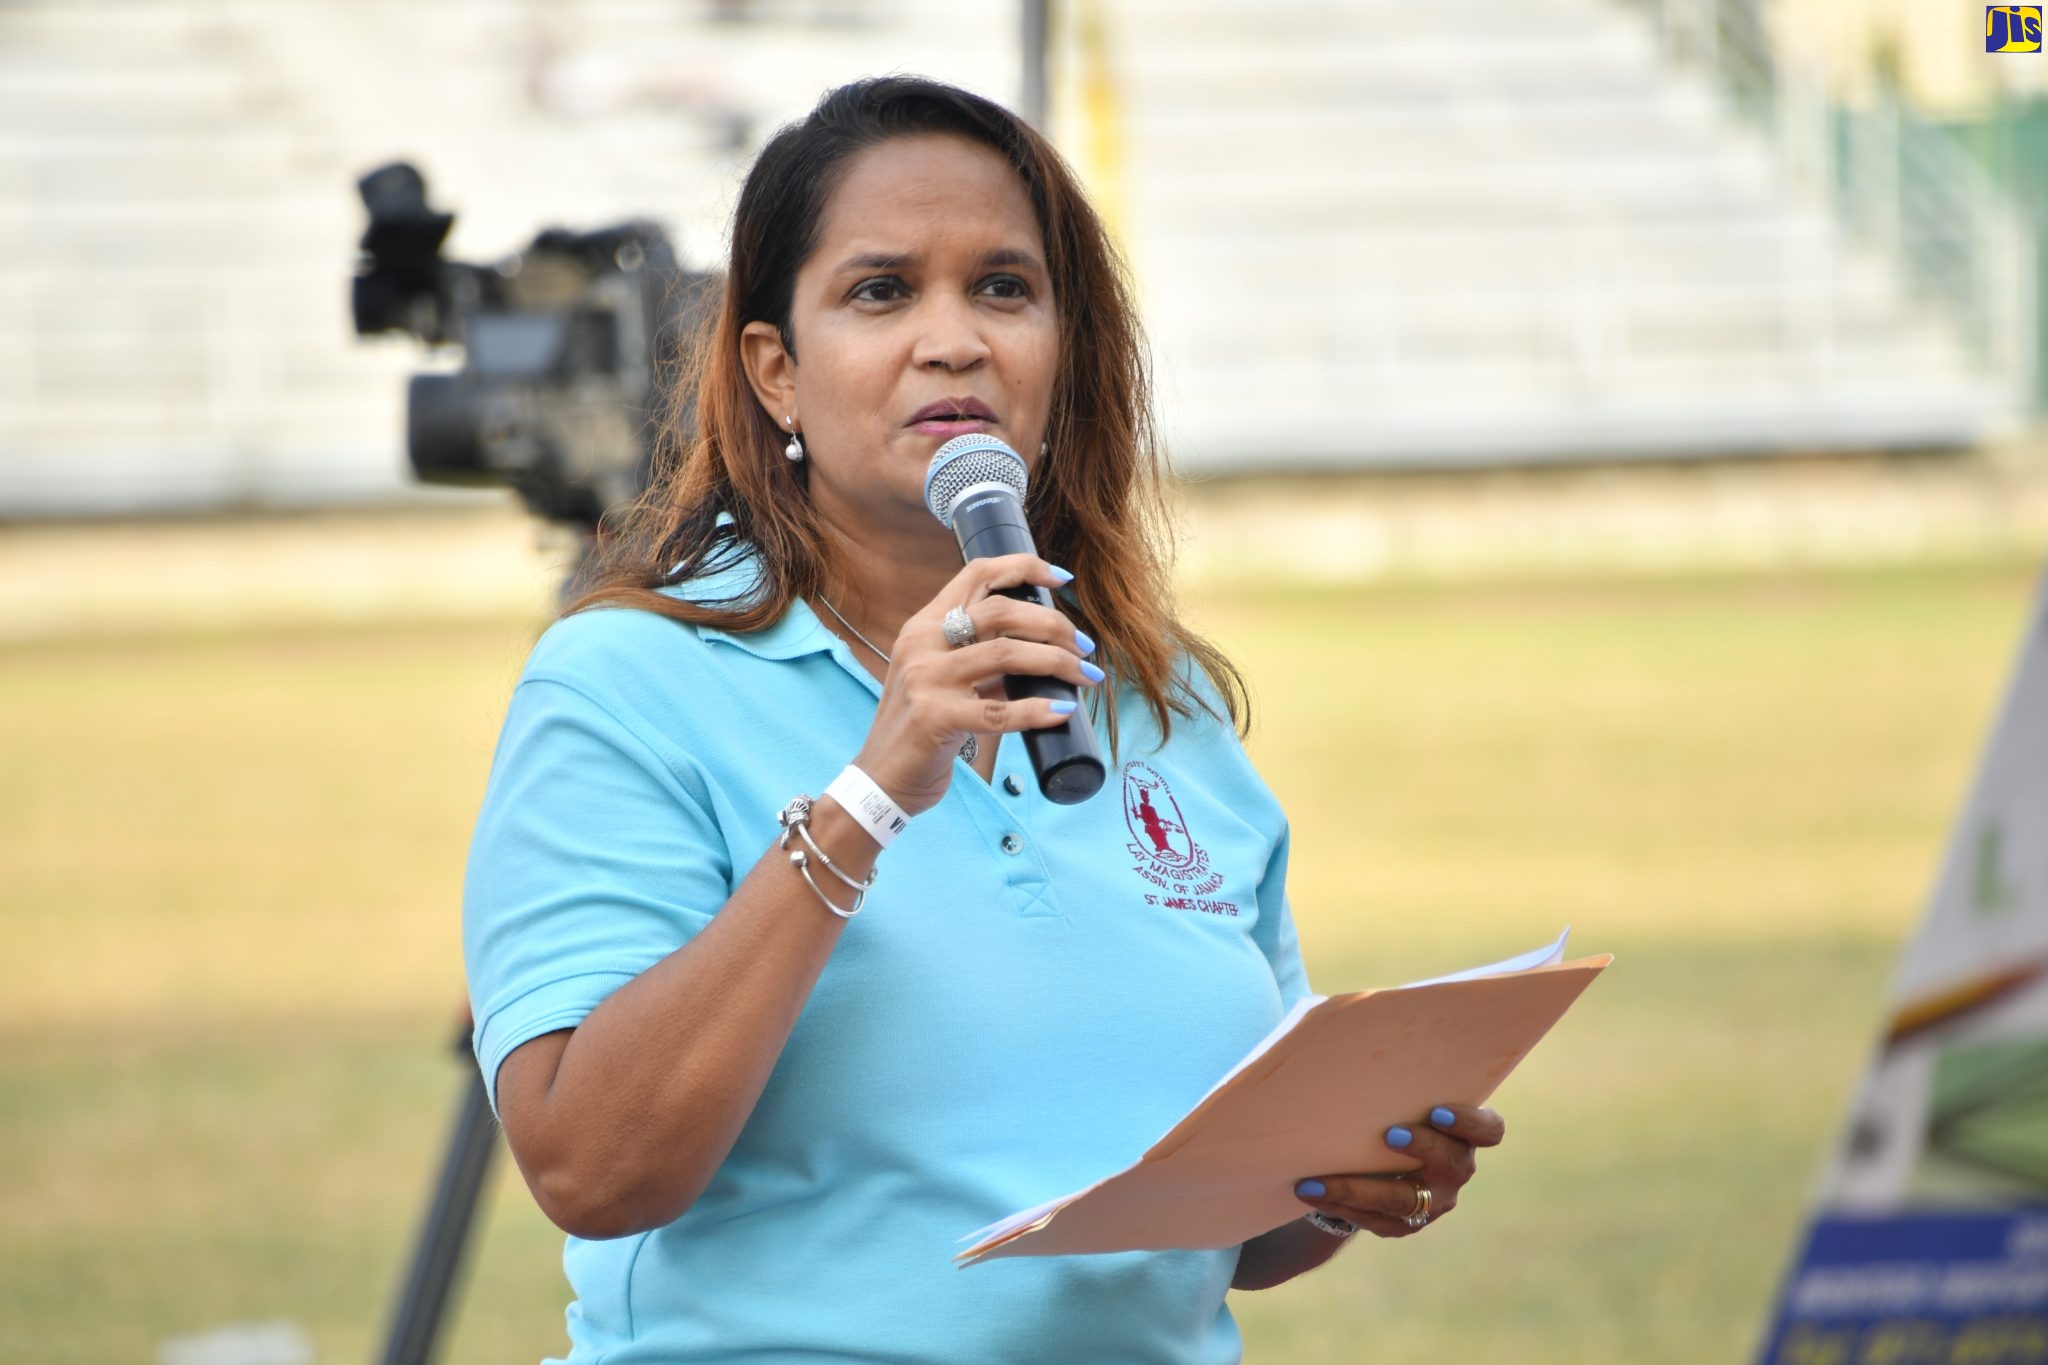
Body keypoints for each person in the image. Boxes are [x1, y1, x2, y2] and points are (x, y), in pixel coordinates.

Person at [462, 75, 1505, 1363]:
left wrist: (1344, 1183)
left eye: (1004, 288)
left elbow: (1222, 1229)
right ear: (775, 373)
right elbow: (588, 1165)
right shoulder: (626, 682)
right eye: (882, 291)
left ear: (1065, 351)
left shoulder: (1155, 701)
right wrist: (875, 787)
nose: (954, 339)